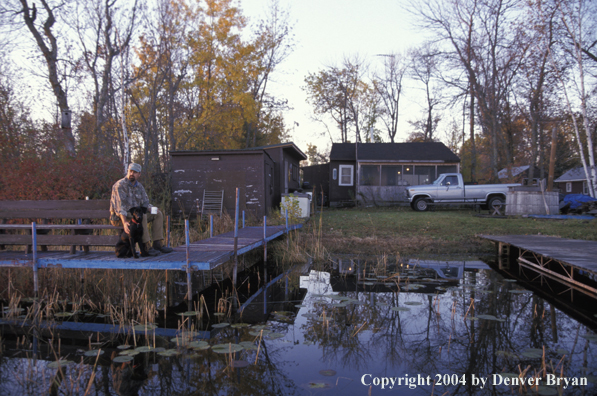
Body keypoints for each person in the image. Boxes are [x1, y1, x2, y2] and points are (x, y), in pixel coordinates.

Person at [110, 163, 173, 256]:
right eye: (130, 171)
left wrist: (151, 208)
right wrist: (124, 222)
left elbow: (145, 202)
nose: (132, 173)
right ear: (127, 171)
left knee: (158, 214)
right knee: (141, 217)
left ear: (139, 174)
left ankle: (158, 244)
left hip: (134, 214)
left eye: (135, 172)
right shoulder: (120, 185)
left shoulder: (139, 187)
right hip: (119, 217)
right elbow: (120, 207)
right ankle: (146, 247)